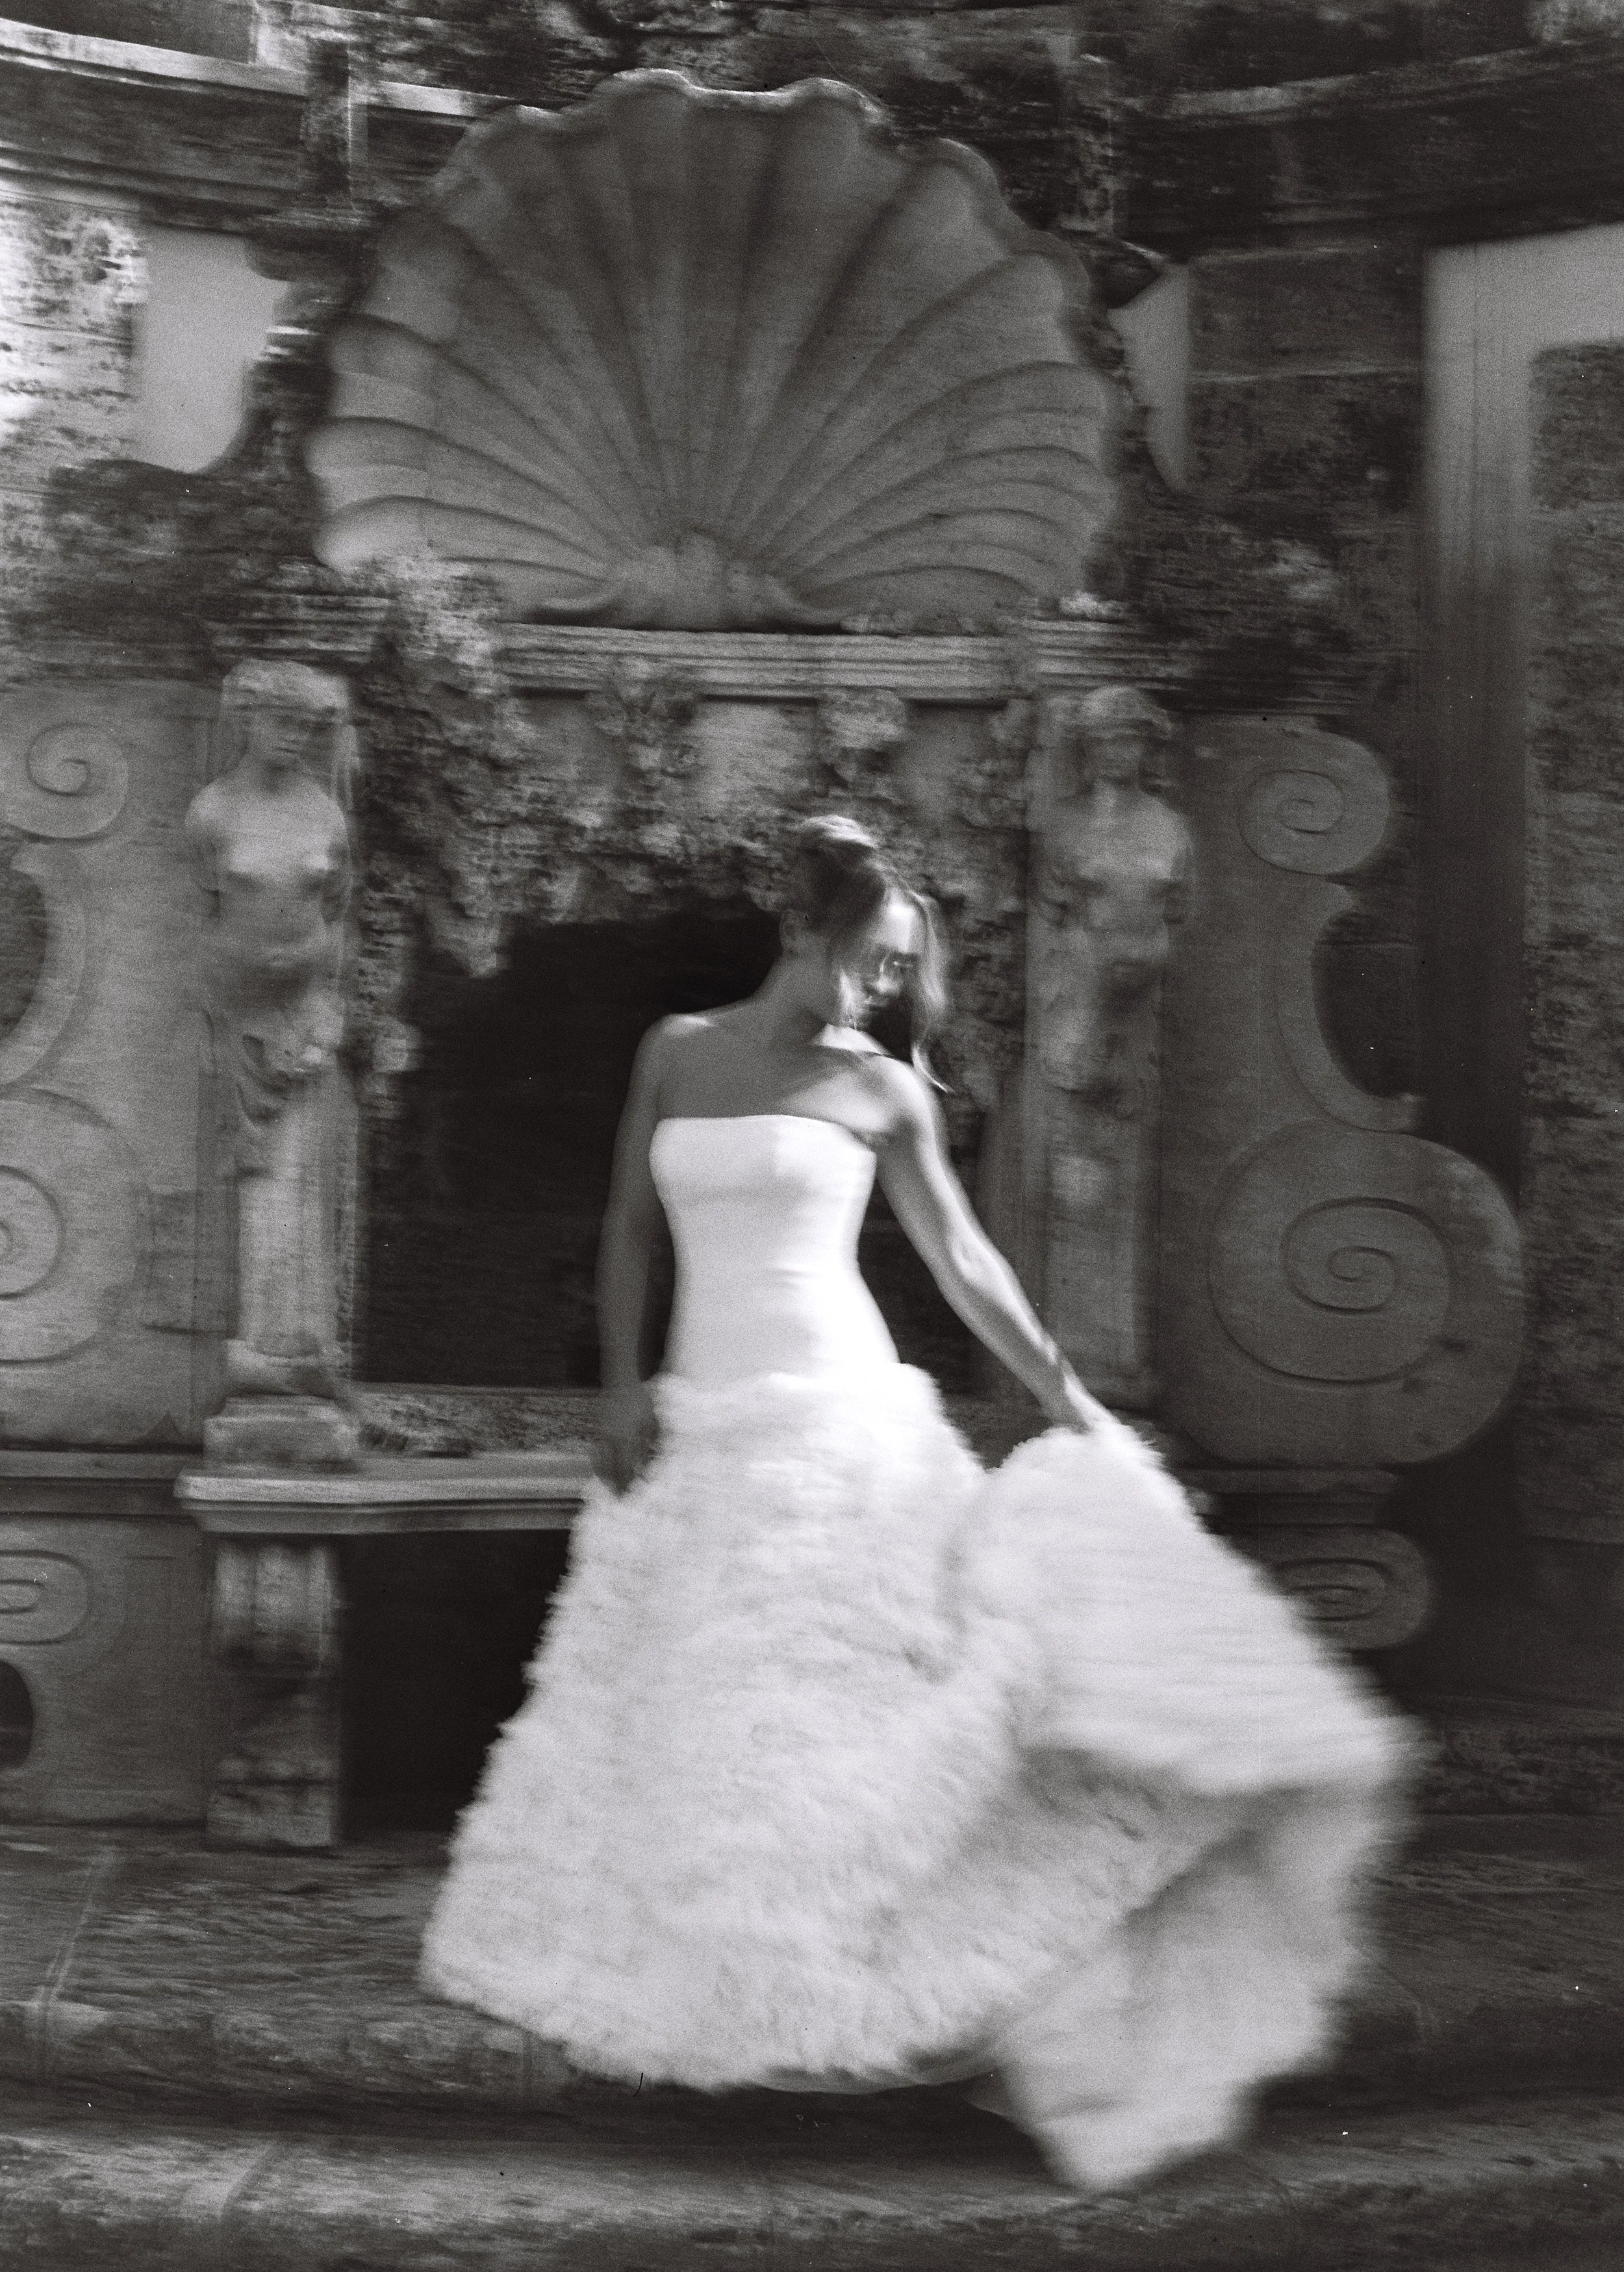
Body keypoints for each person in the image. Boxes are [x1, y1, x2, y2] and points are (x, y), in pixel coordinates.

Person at [420, 814, 1412, 2191]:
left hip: (838, 1415)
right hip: (704, 1421)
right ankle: (739, 1973)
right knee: (699, 1719)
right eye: (866, 962)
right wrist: (619, 1384)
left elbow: (962, 1262)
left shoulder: (883, 1088)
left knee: (847, 1718)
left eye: (897, 975)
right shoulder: (676, 1048)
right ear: (800, 930)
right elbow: (628, 1228)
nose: (879, 992)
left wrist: (1073, 1401)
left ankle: (843, 1979)